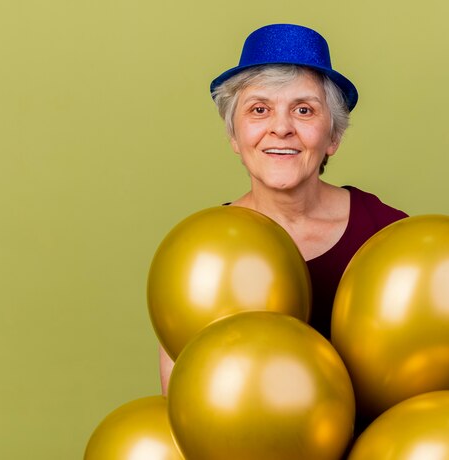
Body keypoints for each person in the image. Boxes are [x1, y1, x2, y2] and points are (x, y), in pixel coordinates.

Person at [159, 23, 407, 395]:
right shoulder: (204, 257)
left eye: (304, 110)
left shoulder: (387, 235)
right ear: (234, 135)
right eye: (259, 109)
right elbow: (183, 401)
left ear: (333, 137)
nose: (281, 128)